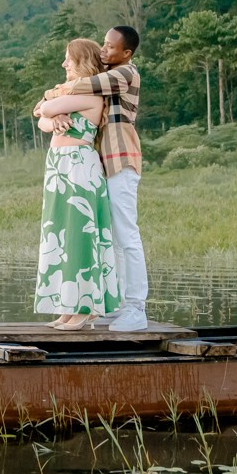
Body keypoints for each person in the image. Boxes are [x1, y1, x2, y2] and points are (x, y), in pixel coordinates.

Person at [36, 25, 148, 332]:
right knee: (106, 236)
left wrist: (49, 104)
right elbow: (59, 96)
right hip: (100, 162)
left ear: (127, 53)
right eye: (103, 44)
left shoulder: (125, 74)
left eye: (111, 47)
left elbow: (78, 86)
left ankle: (136, 308)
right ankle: (112, 306)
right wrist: (52, 112)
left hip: (120, 161)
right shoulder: (96, 85)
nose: (105, 50)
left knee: (126, 237)